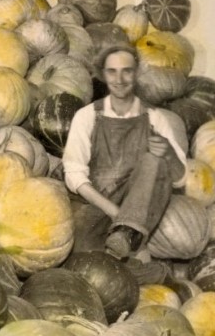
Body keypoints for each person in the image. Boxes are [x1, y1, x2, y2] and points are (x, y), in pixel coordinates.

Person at [62, 44, 187, 262]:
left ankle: (128, 236)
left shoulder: (156, 118)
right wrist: (116, 214)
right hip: (95, 208)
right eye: (112, 72)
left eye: (127, 71)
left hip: (137, 217)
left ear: (136, 74)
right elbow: (74, 176)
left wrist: (169, 154)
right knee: (93, 270)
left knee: (155, 159)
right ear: (103, 75)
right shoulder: (86, 117)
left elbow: (179, 180)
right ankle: (131, 249)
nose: (119, 79)